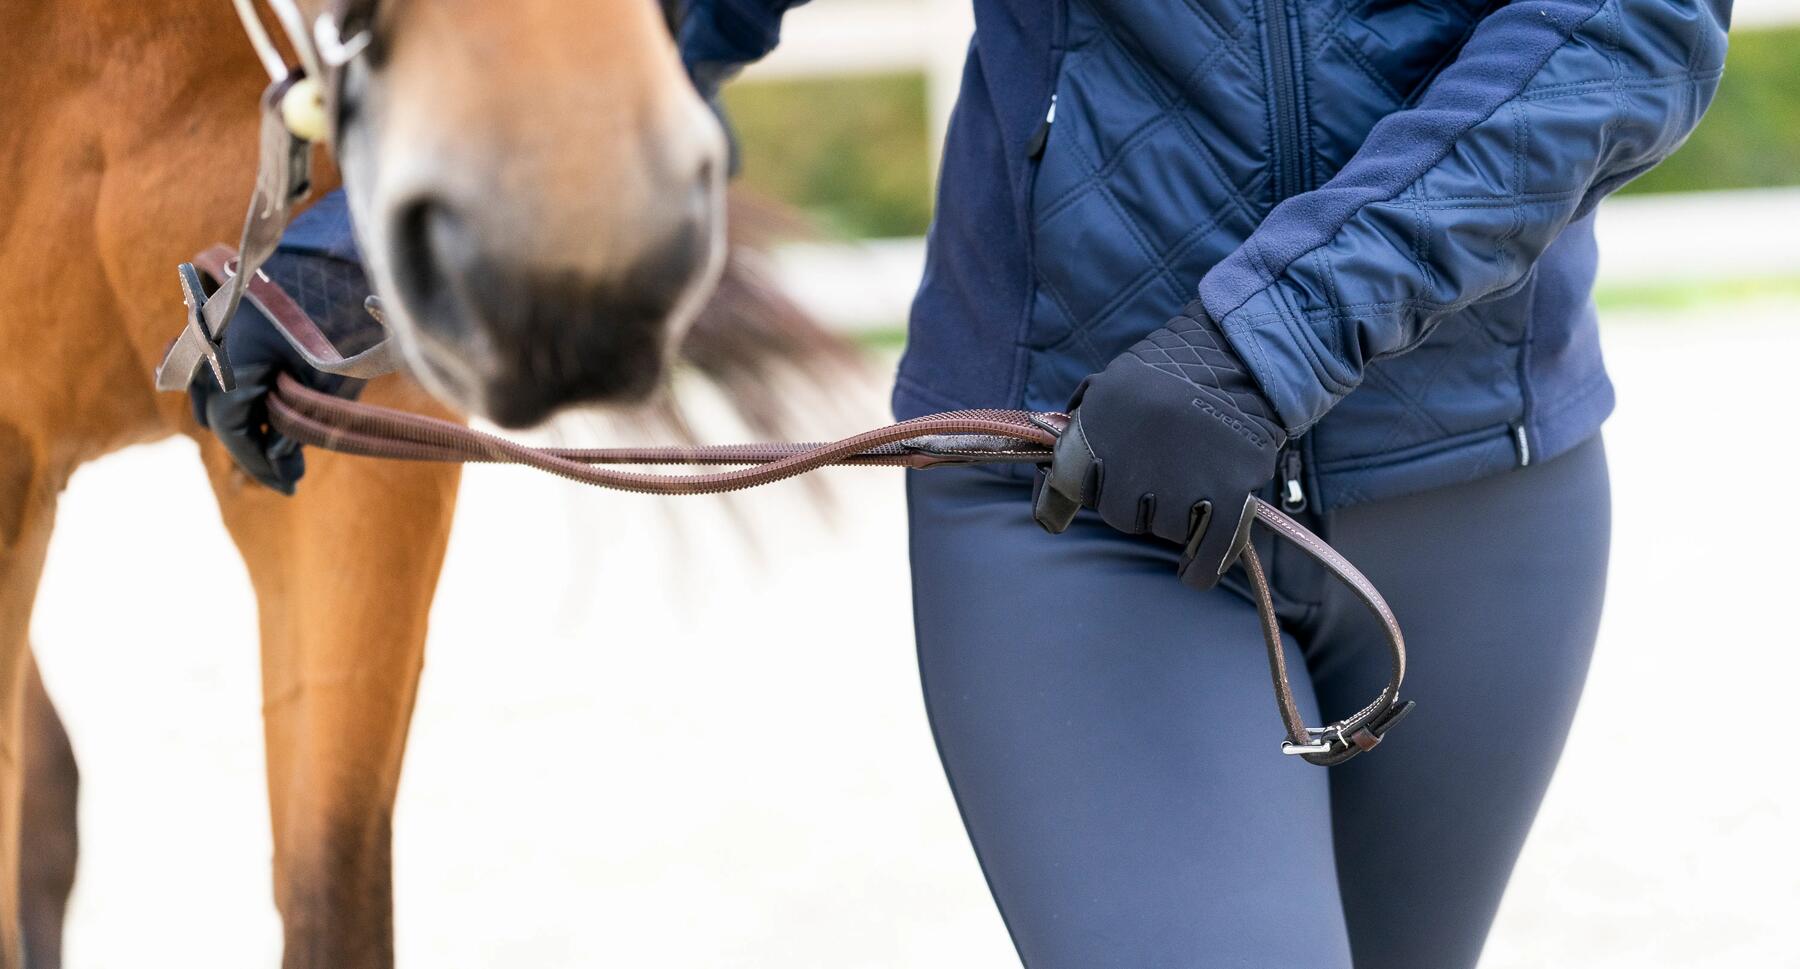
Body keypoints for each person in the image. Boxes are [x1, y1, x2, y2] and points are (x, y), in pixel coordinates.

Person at [198, 0, 1730, 965]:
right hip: (1076, 499)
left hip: (1481, 498)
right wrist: (342, 265)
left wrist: (1263, 341)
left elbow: (1632, 26)